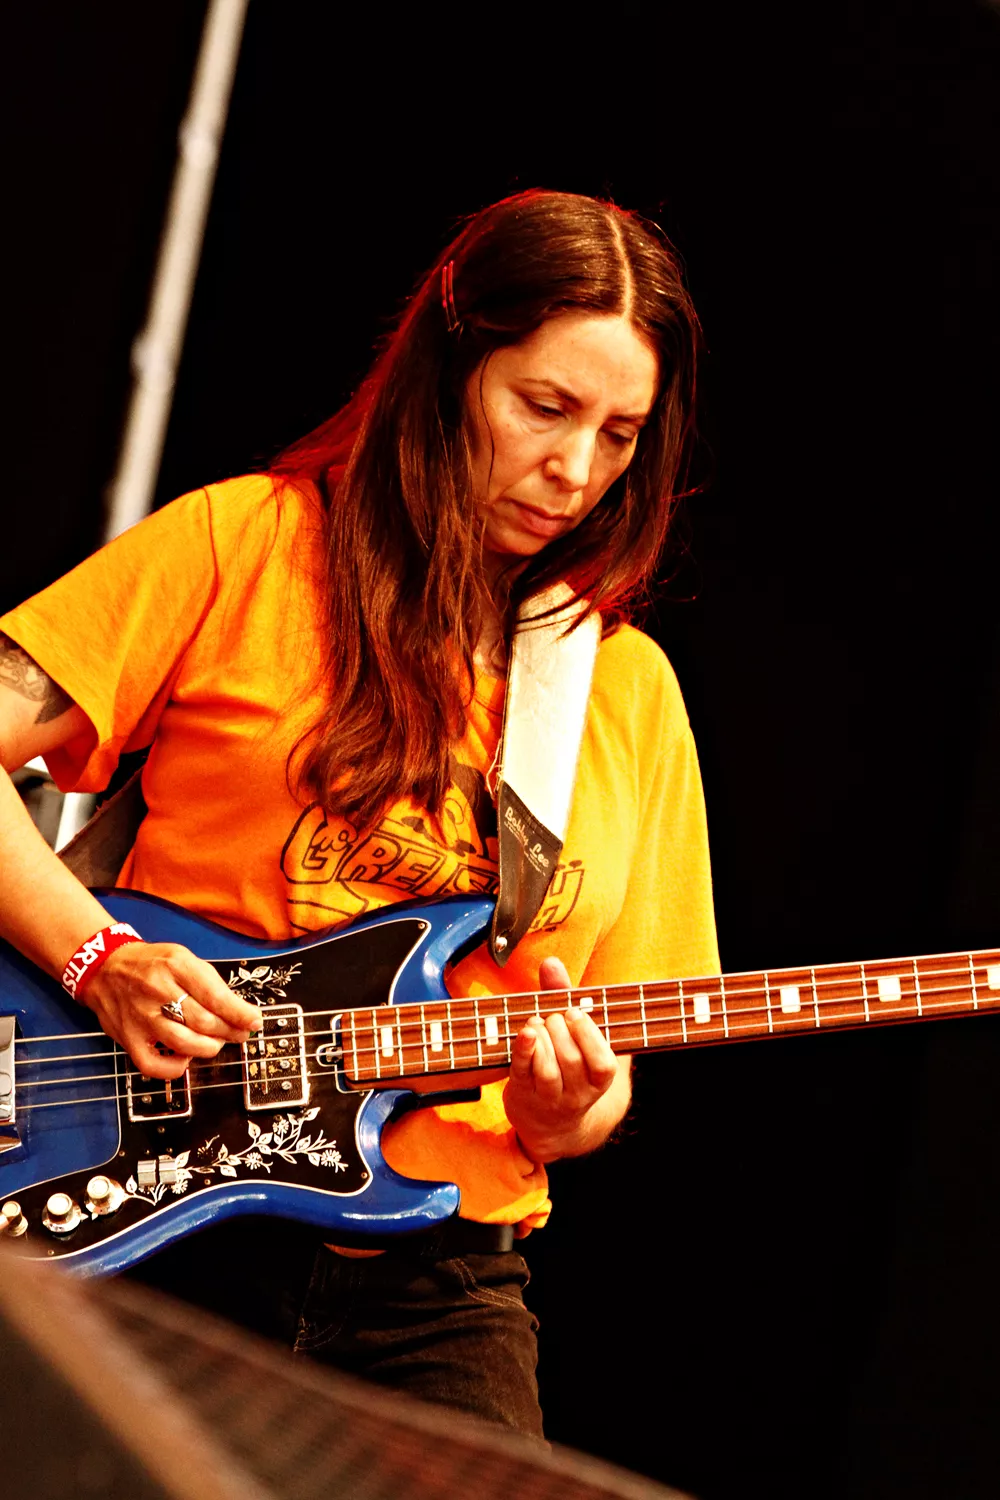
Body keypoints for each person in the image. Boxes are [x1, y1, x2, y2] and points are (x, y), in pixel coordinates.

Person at [0, 190, 719, 1438]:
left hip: (439, 1275)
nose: (575, 472)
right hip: (144, 1208)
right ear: (451, 371)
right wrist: (98, 958)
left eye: (620, 434)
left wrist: (569, 1111)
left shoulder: (625, 689)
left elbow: (609, 1057)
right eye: (543, 407)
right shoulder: (243, 543)